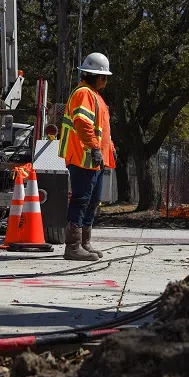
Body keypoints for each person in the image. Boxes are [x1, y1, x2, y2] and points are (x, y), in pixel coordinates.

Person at [58, 52, 116, 261]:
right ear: (99, 77)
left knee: (92, 201)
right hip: (84, 156)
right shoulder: (84, 93)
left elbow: (101, 129)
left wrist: (109, 147)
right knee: (81, 200)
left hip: (94, 159)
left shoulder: (95, 96)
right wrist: (94, 147)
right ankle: (73, 247)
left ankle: (83, 243)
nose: (106, 81)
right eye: (105, 77)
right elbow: (82, 123)